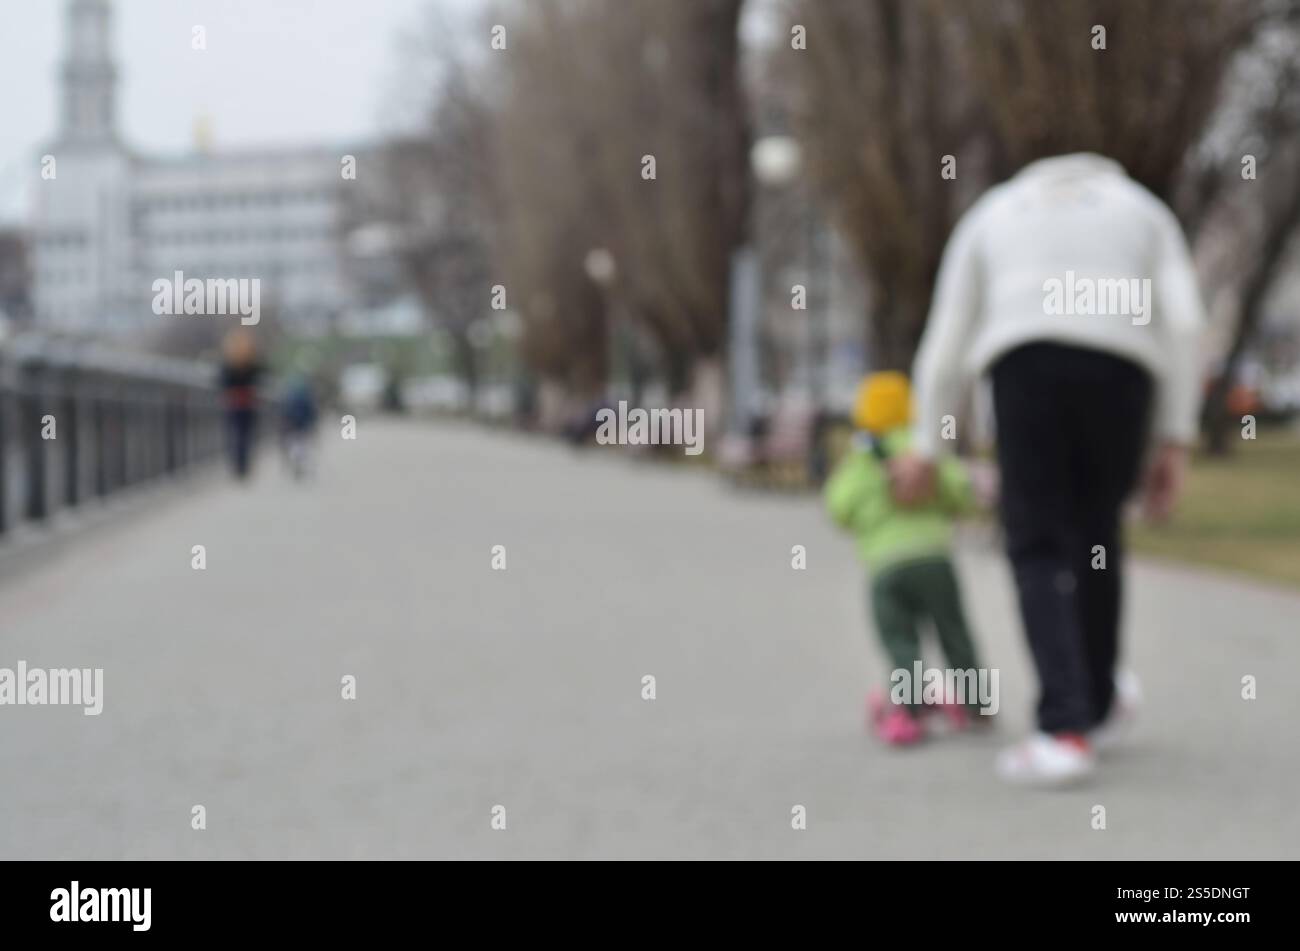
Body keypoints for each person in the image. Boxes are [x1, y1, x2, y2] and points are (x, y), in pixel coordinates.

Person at [894, 153, 1205, 785]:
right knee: (1097, 534)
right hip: (1122, 368)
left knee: (1036, 543)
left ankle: (1063, 728)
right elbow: (1188, 323)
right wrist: (1175, 435)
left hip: (1025, 362)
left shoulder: (994, 211)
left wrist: (927, 442)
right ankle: (1095, 700)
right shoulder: (1144, 210)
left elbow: (948, 332)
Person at [824, 371, 991, 747]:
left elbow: (838, 507)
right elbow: (960, 492)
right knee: (954, 632)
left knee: (902, 642)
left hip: (886, 567)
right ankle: (978, 702)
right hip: (935, 560)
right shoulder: (924, 450)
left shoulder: (861, 459)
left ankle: (908, 710)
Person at [218, 330, 263, 480]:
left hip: (233, 403)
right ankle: (243, 466)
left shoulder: (229, 363)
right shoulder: (251, 363)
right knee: (246, 435)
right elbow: (260, 377)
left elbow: (221, 382)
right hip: (248, 402)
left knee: (234, 434)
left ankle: (237, 466)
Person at [279, 376, 319, 480]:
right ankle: (299, 463)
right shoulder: (306, 397)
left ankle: (297, 463)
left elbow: (284, 412)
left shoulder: (289, 398)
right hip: (302, 425)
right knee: (301, 445)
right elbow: (312, 412)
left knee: (294, 445)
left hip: (292, 425)